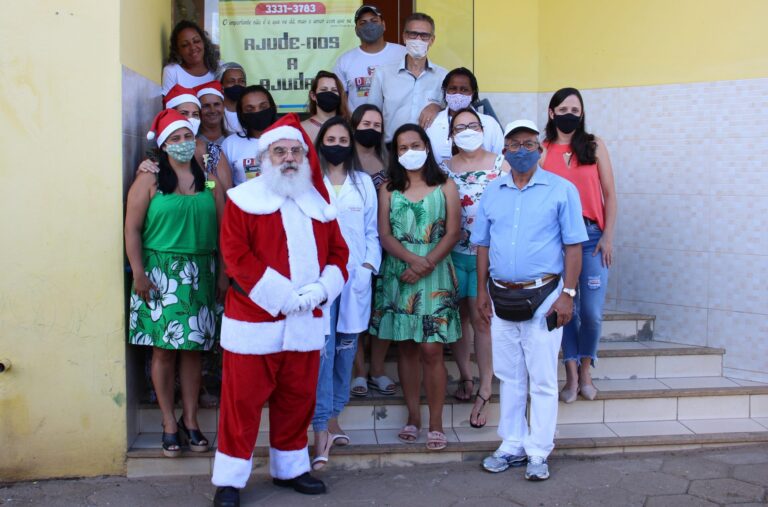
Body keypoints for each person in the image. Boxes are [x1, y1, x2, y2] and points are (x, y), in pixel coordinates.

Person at [211, 115, 349, 506]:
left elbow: (340, 255)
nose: (288, 157)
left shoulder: (319, 203)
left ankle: (290, 468)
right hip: (254, 322)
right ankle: (230, 480)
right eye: (280, 150)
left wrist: (321, 290)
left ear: (304, 156)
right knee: (242, 404)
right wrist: (281, 296)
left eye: (294, 150)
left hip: (306, 319)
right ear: (264, 157)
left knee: (297, 398)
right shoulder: (242, 200)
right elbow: (236, 257)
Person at [474, 120, 587, 481]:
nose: (521, 151)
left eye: (528, 144)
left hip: (545, 295)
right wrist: (481, 291)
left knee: (541, 377)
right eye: (514, 144)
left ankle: (538, 451)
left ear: (539, 149)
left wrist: (567, 295)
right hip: (501, 294)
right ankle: (511, 444)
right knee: (509, 375)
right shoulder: (492, 192)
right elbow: (483, 244)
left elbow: (573, 246)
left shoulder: (561, 189)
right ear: (504, 150)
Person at [125, 109, 226, 458]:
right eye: (175, 138)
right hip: (160, 274)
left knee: (194, 350)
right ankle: (169, 422)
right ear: (163, 144)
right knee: (163, 350)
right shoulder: (149, 180)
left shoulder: (207, 179)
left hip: (201, 271)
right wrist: (138, 271)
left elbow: (223, 212)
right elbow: (132, 228)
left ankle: (191, 420)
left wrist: (224, 270)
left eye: (187, 137)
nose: (183, 144)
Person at [368, 123, 461, 451]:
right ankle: (413, 416)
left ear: (428, 147)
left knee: (432, 348)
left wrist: (427, 263)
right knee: (406, 346)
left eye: (416, 145)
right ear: (395, 153)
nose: (410, 152)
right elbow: (384, 234)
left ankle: (436, 422)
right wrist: (411, 260)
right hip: (400, 270)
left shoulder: (446, 185)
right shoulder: (389, 189)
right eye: (403, 147)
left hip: (434, 270)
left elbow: (453, 232)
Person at [539, 88, 617, 404]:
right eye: (564, 107)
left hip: (592, 239)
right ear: (552, 112)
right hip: (556, 242)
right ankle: (571, 375)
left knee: (592, 312)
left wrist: (608, 235)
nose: (571, 113)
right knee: (564, 307)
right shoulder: (542, 150)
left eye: (576, 108)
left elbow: (610, 194)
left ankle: (587, 369)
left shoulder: (595, 146)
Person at [311, 117, 380, 469]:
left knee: (345, 350)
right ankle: (321, 427)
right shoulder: (309, 182)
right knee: (321, 352)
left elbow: (372, 233)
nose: (336, 143)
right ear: (320, 142)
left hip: (354, 278)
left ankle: (334, 416)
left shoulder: (364, 183)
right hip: (319, 279)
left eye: (343, 138)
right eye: (330, 138)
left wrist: (368, 268)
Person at [440, 108, 509, 427]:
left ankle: (484, 386)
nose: (467, 130)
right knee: (458, 319)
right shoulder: (444, 169)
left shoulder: (500, 163)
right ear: (451, 135)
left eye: (472, 125)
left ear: (483, 129)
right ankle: (465, 377)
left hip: (489, 258)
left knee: (482, 320)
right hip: (453, 256)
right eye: (460, 127)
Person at [348, 104, 395, 397]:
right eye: (366, 123)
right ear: (354, 125)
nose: (372, 129)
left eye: (377, 125)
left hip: (389, 244)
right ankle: (359, 371)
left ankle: (378, 369)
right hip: (357, 247)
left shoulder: (389, 158)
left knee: (383, 310)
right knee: (355, 310)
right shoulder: (344, 159)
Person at [366, 12, 446, 144]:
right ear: (404, 37)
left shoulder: (443, 76)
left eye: (424, 36)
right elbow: (371, 114)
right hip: (391, 150)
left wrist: (438, 107)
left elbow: (453, 114)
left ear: (432, 40)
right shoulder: (383, 74)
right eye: (413, 34)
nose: (418, 39)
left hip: (429, 150)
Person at [138, 85, 233, 191]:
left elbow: (226, 194)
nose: (190, 119)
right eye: (184, 113)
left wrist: (208, 185)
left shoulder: (214, 152)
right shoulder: (156, 154)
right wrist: (142, 170)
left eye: (195, 114)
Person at [333, 5, 406, 113]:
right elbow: (340, 98)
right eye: (363, 23)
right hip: (358, 127)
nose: (369, 25)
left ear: (384, 25)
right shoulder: (344, 61)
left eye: (374, 21)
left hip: (395, 125)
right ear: (356, 30)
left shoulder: (403, 53)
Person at [426, 67, 504, 164]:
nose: (458, 94)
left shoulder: (490, 124)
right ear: (445, 91)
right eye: (453, 89)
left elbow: (500, 160)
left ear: (472, 93)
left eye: (464, 90)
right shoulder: (432, 124)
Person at [221, 85, 278, 186]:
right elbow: (225, 186)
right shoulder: (230, 144)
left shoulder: (288, 138)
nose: (257, 112)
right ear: (241, 113)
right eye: (250, 109)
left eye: (263, 107)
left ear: (272, 107)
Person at [161, 20, 218, 95]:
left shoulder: (218, 70)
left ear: (204, 42)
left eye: (196, 41)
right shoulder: (172, 72)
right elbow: (167, 104)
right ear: (178, 50)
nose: (193, 47)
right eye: (185, 45)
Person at [301, 70, 349, 145]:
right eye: (324, 90)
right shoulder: (301, 129)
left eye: (334, 90)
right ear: (313, 95)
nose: (329, 93)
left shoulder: (349, 127)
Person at [216, 62, 247, 135]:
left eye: (241, 81)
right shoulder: (215, 112)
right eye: (231, 81)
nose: (237, 84)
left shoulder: (250, 110)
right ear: (221, 85)